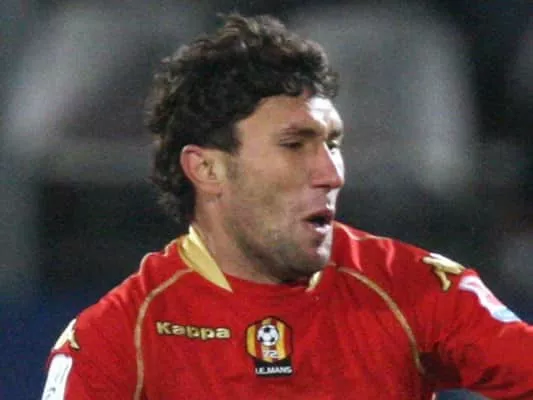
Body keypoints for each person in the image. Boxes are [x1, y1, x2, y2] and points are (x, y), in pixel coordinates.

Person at [41, 14, 533, 400]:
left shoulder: (411, 289)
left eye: (332, 143)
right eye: (295, 145)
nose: (332, 173)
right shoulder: (119, 338)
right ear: (207, 169)